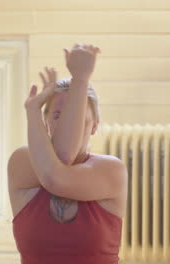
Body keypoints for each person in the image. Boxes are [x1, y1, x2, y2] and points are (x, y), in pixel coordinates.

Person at [8, 44, 128, 264]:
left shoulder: (111, 170)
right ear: (45, 122)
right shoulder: (22, 162)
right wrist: (35, 109)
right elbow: (60, 163)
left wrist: (80, 81)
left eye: (78, 116)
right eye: (57, 115)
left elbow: (60, 167)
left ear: (94, 126)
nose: (66, 123)